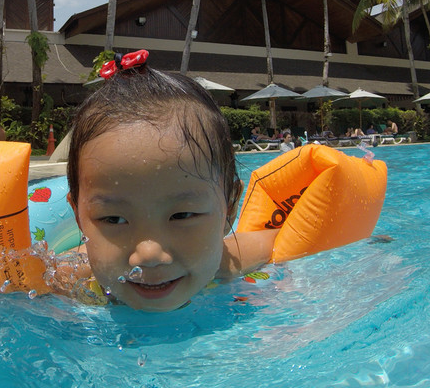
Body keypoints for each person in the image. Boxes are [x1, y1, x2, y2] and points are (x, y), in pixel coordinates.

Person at [65, 62, 278, 311]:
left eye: (182, 215)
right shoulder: (71, 277)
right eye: (113, 219)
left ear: (230, 208)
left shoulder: (229, 260)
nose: (149, 254)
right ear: (78, 216)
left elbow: (283, 239)